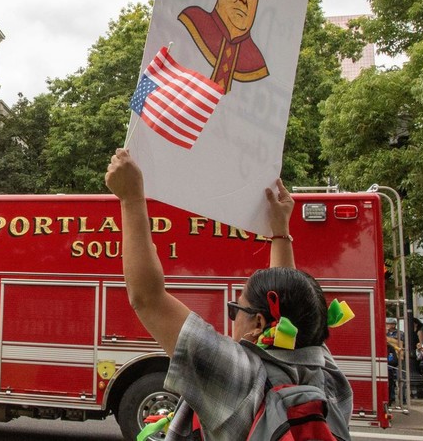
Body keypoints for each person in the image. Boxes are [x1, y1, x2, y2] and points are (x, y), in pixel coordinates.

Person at [105, 149, 352, 439]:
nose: (232, 317)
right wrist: (280, 232)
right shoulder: (328, 378)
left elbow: (147, 298)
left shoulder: (239, 377)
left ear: (259, 325)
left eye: (237, 309)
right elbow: (289, 298)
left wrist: (131, 199)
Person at [385, 318, 405, 406]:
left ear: (393, 325)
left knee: (400, 378)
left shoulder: (400, 334)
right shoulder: (385, 333)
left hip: (397, 357)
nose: (387, 325)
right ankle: (391, 397)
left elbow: (402, 344)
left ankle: (403, 399)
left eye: (388, 324)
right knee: (390, 380)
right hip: (388, 358)